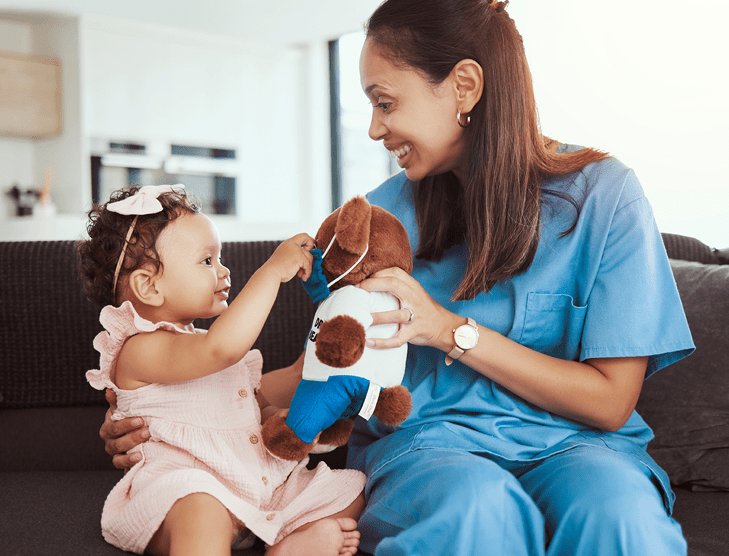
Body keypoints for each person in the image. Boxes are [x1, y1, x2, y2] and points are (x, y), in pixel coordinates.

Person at [100, 1, 696, 555]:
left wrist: (446, 331)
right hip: (433, 449)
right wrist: (160, 416)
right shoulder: (372, 223)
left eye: (385, 102)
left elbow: (611, 402)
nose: (373, 129)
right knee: (477, 515)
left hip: (581, 447)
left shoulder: (605, 196)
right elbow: (322, 370)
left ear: (464, 86)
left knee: (622, 520)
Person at [79, 184, 365, 556]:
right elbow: (224, 348)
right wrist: (271, 270)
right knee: (200, 510)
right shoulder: (140, 349)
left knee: (351, 490)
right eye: (207, 261)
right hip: (185, 492)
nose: (224, 270)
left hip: (257, 487)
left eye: (220, 258)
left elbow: (255, 394)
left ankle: (287, 547)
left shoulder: (200, 344)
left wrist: (306, 368)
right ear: (148, 286)